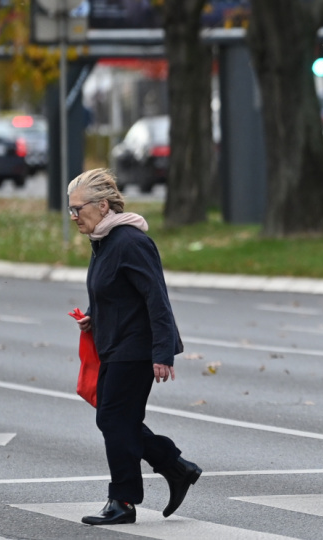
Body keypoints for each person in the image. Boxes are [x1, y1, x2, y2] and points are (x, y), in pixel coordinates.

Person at [68, 168, 201, 525]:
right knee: (117, 420)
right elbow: (116, 291)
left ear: (103, 205)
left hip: (136, 349)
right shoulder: (104, 241)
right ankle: (175, 466)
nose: (74, 216)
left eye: (78, 208)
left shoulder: (130, 242)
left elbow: (156, 298)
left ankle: (123, 500)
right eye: (71, 210)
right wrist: (94, 316)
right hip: (114, 346)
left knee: (114, 419)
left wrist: (162, 353)